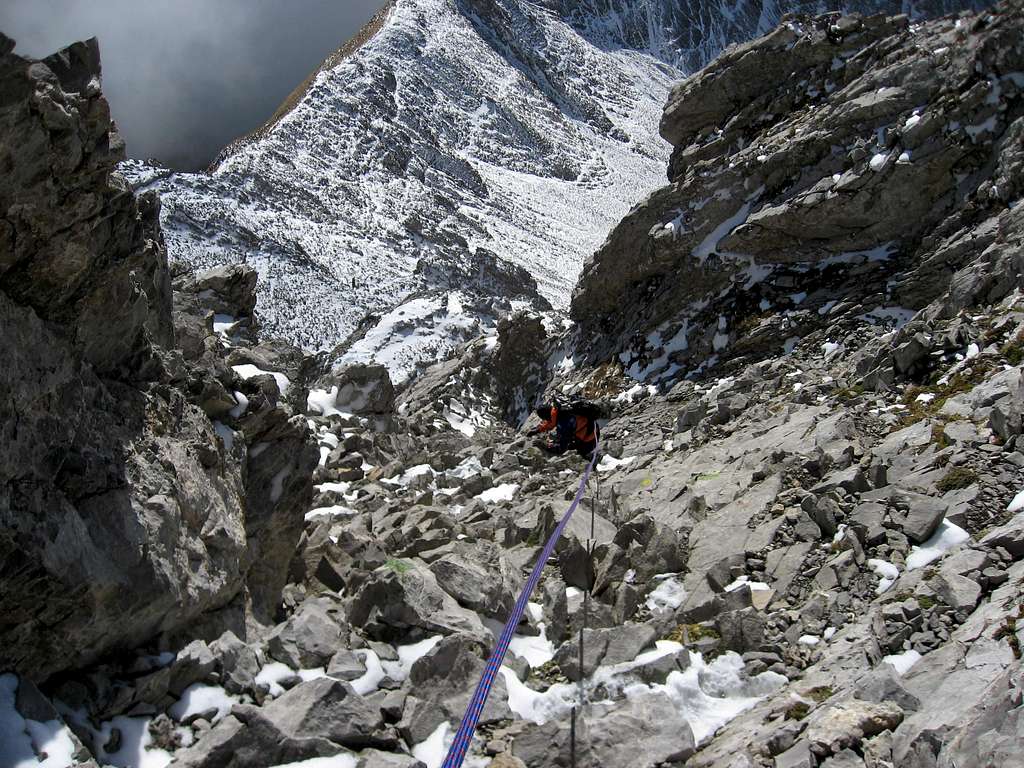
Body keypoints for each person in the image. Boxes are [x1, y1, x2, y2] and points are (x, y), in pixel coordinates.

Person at [528, 401, 599, 458]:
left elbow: (561, 448)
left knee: (581, 455)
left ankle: (592, 460)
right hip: (589, 426)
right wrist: (538, 430)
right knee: (564, 439)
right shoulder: (557, 410)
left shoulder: (563, 424)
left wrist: (545, 445)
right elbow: (551, 422)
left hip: (590, 437)